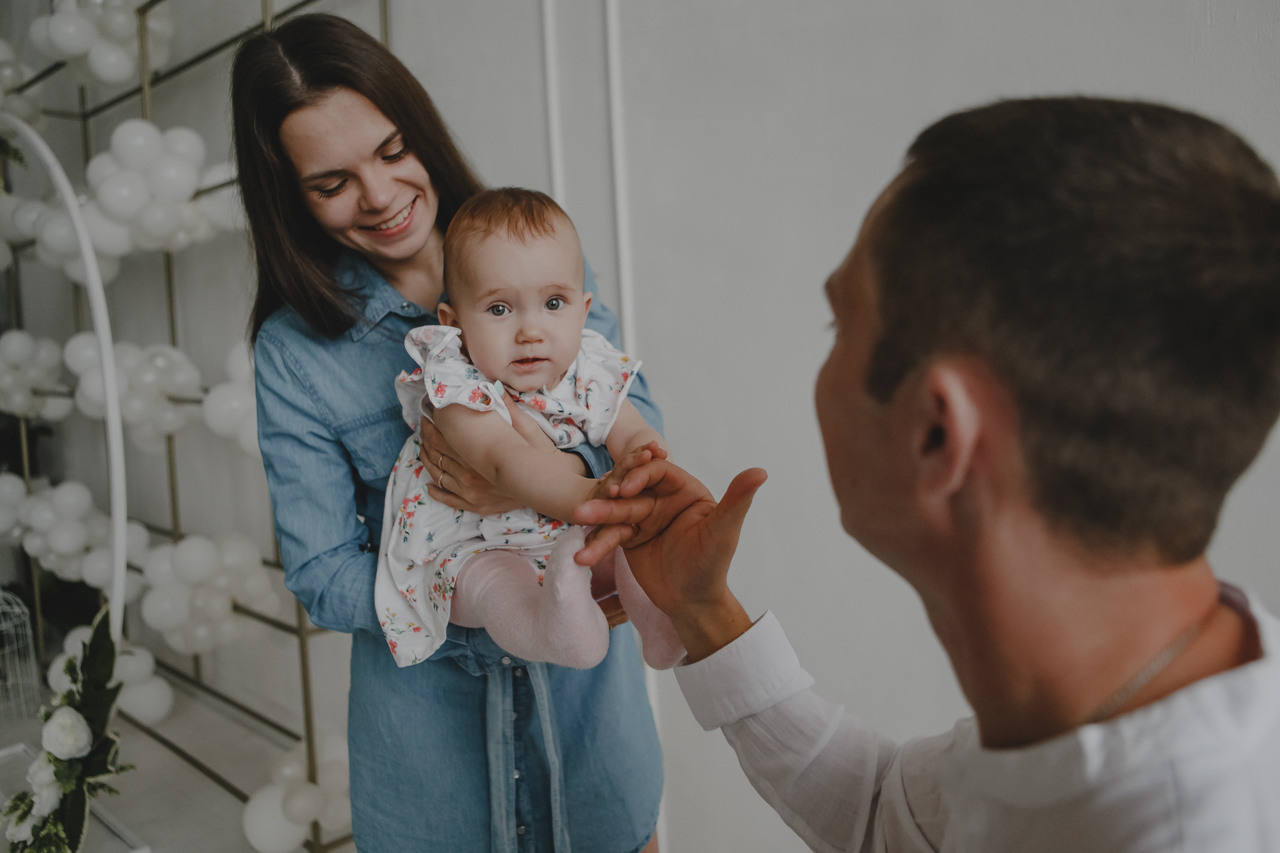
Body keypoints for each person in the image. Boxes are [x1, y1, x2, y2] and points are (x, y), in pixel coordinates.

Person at [575, 97, 1280, 851]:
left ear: (939, 432)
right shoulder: (1120, 689)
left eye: (839, 324)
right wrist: (703, 612)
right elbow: (891, 817)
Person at [231, 14, 662, 852]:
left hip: (591, 731)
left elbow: (633, 416)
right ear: (290, 196)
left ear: (420, 131)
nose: (382, 196)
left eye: (392, 151)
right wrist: (471, 592)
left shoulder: (535, 250)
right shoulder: (294, 352)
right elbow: (320, 572)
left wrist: (522, 478)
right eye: (332, 184)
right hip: (430, 751)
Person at [376, 187, 683, 671]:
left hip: (571, 529)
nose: (531, 330)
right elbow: (504, 459)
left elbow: (630, 427)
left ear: (584, 311)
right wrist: (598, 493)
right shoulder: (455, 378)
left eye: (554, 303)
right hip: (471, 544)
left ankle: (662, 623)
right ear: (453, 323)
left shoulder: (589, 364)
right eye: (500, 309)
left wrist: (644, 462)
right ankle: (552, 633)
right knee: (495, 583)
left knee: (638, 535)